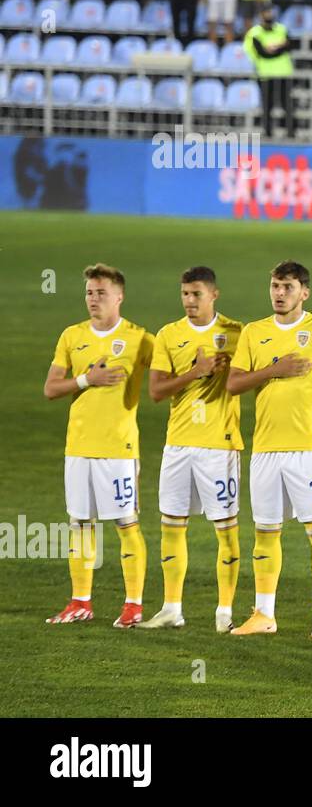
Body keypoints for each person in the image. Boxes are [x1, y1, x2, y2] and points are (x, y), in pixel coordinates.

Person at [226, 261, 312, 640]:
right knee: (266, 533)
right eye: (274, 286)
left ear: (304, 292)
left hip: (308, 448)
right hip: (266, 449)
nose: (279, 293)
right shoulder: (255, 332)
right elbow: (234, 384)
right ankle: (264, 614)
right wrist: (275, 369)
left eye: (287, 287)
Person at [43, 264, 155, 629]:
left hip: (119, 449)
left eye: (101, 293)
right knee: (80, 524)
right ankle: (80, 602)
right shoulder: (71, 336)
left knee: (126, 523)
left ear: (119, 297)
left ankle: (134, 605)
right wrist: (86, 379)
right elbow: (51, 389)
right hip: (78, 447)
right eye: (90, 292)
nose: (93, 299)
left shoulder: (140, 339)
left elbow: (165, 375)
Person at [137, 267, 243, 633]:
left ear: (214, 295)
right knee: (171, 526)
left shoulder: (236, 333)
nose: (189, 301)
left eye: (196, 294)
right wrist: (194, 372)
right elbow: (155, 392)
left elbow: (256, 374)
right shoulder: (169, 334)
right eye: (184, 294)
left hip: (220, 448)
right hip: (178, 446)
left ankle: (225, 613)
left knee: (225, 530)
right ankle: (171, 608)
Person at [244, 6, 296, 139]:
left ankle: (291, 133)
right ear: (261, 14)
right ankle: (267, 133)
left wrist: (272, 48)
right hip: (265, 74)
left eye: (270, 11)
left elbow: (289, 46)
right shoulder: (255, 33)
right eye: (265, 12)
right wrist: (278, 47)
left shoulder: (281, 29)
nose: (268, 14)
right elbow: (261, 52)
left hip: (283, 73)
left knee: (287, 105)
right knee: (267, 105)